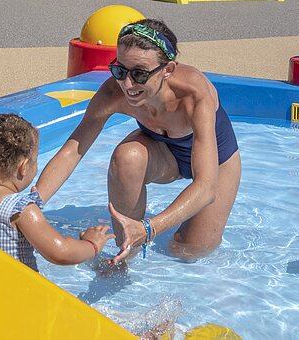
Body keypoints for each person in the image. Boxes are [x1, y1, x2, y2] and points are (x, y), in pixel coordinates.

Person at [36, 18, 241, 262]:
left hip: (217, 163)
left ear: (168, 70)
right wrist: (30, 205)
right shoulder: (114, 93)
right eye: (120, 70)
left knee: (187, 251)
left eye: (140, 74)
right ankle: (125, 255)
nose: (127, 84)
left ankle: (140, 234)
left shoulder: (194, 95)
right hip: (165, 157)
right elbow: (73, 150)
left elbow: (206, 187)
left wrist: (150, 227)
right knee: (127, 158)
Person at [0, 109, 112, 272]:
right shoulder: (20, 210)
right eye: (35, 161)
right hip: (20, 293)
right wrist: (92, 245)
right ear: (23, 167)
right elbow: (61, 252)